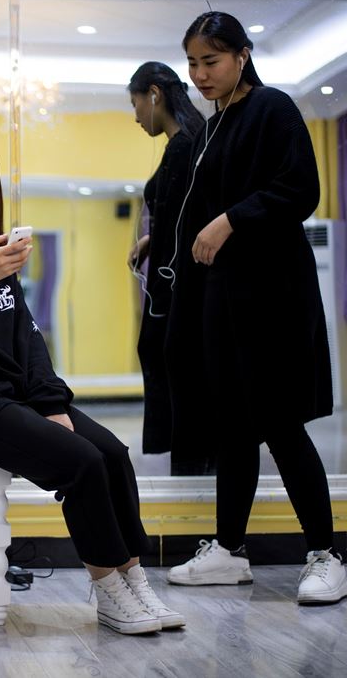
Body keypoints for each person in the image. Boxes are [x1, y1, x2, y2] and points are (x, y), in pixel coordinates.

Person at [0, 130, 183, 635]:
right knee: (81, 464)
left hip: (9, 393)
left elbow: (25, 334)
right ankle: (107, 587)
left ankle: (134, 578)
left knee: (111, 453)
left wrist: (50, 402)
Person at [165, 12, 347, 605]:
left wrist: (231, 219)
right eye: (191, 64)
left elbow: (300, 189)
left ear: (242, 55)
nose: (198, 75)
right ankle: (228, 550)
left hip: (271, 295)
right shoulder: (213, 127)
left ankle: (326, 555)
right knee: (233, 429)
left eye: (210, 61)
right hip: (223, 300)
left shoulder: (273, 108)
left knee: (279, 423)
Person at [126, 62, 213, 475]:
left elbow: (184, 227)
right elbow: (180, 217)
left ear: (154, 94)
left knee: (184, 392)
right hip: (183, 286)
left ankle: (191, 489)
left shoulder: (182, 148)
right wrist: (150, 240)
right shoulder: (192, 141)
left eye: (136, 103)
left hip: (177, 292)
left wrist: (162, 276)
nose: (136, 115)